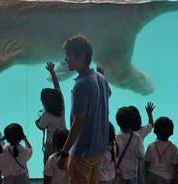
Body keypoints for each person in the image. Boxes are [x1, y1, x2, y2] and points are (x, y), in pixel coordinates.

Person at [57, 34, 110, 184]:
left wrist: (64, 152)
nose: (66, 60)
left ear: (81, 56)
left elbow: (78, 122)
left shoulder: (80, 85)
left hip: (82, 152)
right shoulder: (100, 77)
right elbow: (108, 95)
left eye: (69, 56)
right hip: (98, 150)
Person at [36, 62, 66, 165]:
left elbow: (41, 126)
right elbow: (56, 85)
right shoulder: (61, 104)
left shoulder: (47, 115)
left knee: (49, 165)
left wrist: (37, 121)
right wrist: (52, 71)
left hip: (52, 144)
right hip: (65, 141)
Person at [144, 117, 178, 184]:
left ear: (155, 131)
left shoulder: (151, 146)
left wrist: (145, 176)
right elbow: (175, 167)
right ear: (171, 132)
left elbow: (147, 164)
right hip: (168, 177)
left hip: (152, 176)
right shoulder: (174, 148)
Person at [115, 107, 144, 184]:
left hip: (118, 172)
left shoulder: (115, 137)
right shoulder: (137, 137)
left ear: (117, 122)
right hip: (132, 173)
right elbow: (140, 155)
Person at [129, 102, 155, 184]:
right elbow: (151, 124)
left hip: (126, 162)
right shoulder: (142, 131)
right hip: (139, 161)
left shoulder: (121, 135)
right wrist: (149, 113)